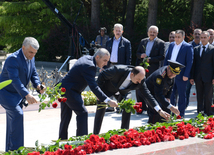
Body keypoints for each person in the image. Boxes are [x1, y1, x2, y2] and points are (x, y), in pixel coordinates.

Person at [58, 48, 118, 139]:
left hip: (64, 88)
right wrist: (108, 100)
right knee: (82, 113)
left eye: (107, 61)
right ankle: (81, 141)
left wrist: (99, 95)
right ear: (97, 57)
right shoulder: (90, 66)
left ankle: (62, 139)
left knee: (66, 116)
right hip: (70, 90)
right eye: (105, 60)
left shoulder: (87, 58)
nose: (106, 64)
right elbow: (93, 86)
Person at [93, 65, 171, 134]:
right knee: (101, 109)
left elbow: (148, 95)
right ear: (132, 74)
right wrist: (98, 92)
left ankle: (124, 132)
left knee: (128, 107)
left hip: (123, 92)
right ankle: (95, 134)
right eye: (138, 79)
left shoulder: (140, 80)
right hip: (107, 89)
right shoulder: (117, 70)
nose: (140, 82)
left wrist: (159, 110)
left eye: (141, 79)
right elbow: (102, 75)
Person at [0, 37, 45, 152]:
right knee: (17, 115)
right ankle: (17, 151)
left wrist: (38, 85)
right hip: (6, 94)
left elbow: (33, 73)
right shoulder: (12, 59)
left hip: (17, 95)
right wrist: (27, 94)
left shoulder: (31, 57)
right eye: (31, 52)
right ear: (23, 47)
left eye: (35, 53)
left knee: (13, 122)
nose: (32, 55)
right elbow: (14, 79)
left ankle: (10, 151)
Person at [136, 25, 165, 114]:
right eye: (150, 32)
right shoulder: (143, 41)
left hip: (153, 69)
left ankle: (151, 109)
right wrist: (141, 56)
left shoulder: (161, 43)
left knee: (151, 89)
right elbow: (137, 53)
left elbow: (162, 56)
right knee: (139, 87)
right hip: (142, 69)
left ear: (157, 33)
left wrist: (150, 59)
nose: (152, 34)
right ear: (148, 32)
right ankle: (141, 107)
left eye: (154, 32)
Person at [164, 30, 193, 118]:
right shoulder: (171, 45)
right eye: (175, 36)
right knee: (171, 94)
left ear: (183, 37)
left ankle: (181, 114)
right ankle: (172, 112)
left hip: (182, 74)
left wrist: (186, 75)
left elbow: (189, 62)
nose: (176, 38)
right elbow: (167, 58)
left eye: (178, 37)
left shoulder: (188, 47)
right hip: (170, 74)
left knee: (181, 94)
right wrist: (164, 70)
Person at [105, 23, 132, 112]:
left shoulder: (126, 42)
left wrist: (127, 68)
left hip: (121, 67)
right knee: (109, 85)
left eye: (119, 30)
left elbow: (128, 57)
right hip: (110, 66)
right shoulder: (109, 42)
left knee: (120, 86)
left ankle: (120, 105)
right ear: (113, 31)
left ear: (122, 31)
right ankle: (110, 106)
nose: (117, 32)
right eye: (116, 30)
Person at [190, 31, 214, 116]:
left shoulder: (212, 49)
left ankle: (209, 112)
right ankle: (200, 112)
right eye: (201, 38)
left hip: (209, 76)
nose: (203, 39)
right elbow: (194, 64)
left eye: (204, 37)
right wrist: (192, 77)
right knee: (199, 95)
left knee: (208, 96)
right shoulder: (196, 49)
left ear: (209, 38)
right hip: (198, 76)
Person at [186, 28, 202, 108]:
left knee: (201, 91)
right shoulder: (188, 45)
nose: (197, 35)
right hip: (189, 72)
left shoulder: (204, 46)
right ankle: (183, 108)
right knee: (186, 90)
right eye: (195, 34)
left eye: (199, 34)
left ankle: (201, 108)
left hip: (200, 73)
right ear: (193, 35)